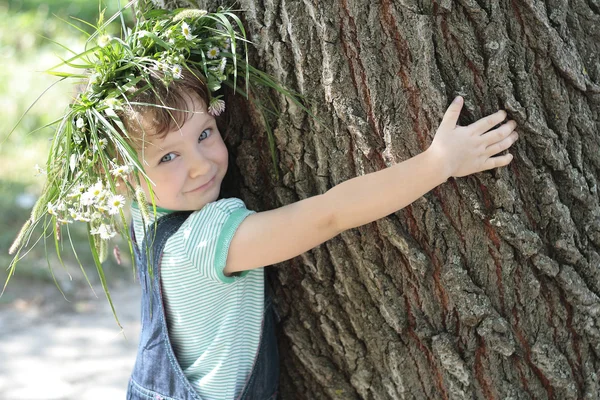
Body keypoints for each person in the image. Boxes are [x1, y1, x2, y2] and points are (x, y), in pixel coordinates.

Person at [8, 5, 518, 400]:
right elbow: (329, 213)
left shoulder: (147, 213)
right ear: (119, 178)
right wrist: (437, 163)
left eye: (205, 132)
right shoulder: (205, 241)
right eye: (167, 158)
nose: (201, 165)